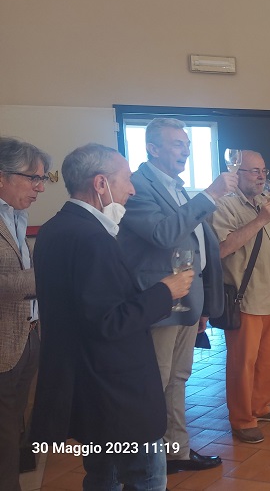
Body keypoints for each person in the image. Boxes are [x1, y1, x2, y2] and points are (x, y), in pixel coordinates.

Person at [31, 143, 194, 490]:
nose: (132, 189)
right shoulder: (92, 238)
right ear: (100, 183)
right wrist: (166, 291)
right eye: (127, 179)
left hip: (89, 383)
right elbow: (109, 320)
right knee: (146, 478)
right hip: (116, 387)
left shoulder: (55, 228)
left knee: (104, 476)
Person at [118, 118, 236, 474]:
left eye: (187, 145)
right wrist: (211, 195)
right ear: (152, 148)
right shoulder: (139, 185)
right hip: (160, 302)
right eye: (176, 144)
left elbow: (199, 245)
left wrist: (203, 302)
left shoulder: (178, 187)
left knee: (178, 377)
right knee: (156, 380)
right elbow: (163, 234)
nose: (185, 151)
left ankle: (175, 451)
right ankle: (146, 463)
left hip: (187, 300)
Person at [211, 150, 270, 444]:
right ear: (236, 173)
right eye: (254, 171)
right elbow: (222, 248)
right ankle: (243, 419)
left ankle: (260, 406)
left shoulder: (263, 201)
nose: (261, 177)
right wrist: (260, 219)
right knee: (243, 362)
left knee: (269, 357)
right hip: (246, 296)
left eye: (263, 171)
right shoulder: (224, 205)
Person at [0, 137, 50, 491]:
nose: (40, 188)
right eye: (33, 178)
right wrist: (51, 275)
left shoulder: (16, 215)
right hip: (4, 340)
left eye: (41, 179)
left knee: (13, 424)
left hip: (27, 333)